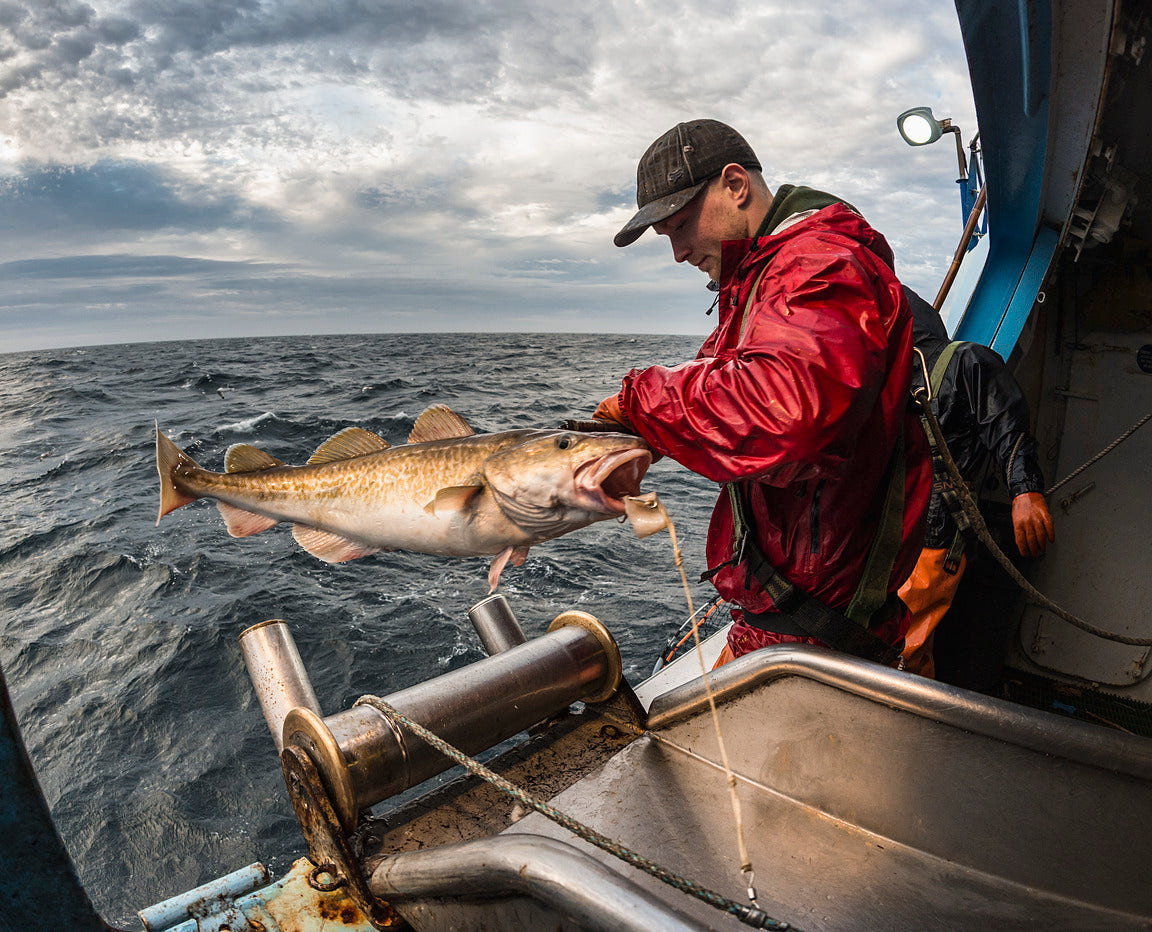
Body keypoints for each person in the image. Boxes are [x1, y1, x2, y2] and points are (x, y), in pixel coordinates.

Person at [594, 119, 932, 665]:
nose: (678, 253)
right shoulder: (764, 281)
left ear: (735, 185)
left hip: (822, 638)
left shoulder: (817, 265)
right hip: (780, 625)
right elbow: (723, 376)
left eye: (681, 226)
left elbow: (785, 412)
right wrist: (649, 433)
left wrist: (642, 400)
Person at [898, 310, 1055, 678]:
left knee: (906, 648)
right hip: (886, 531)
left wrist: (1025, 490)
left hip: (934, 535)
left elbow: (1008, 426)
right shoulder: (882, 374)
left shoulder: (967, 360)